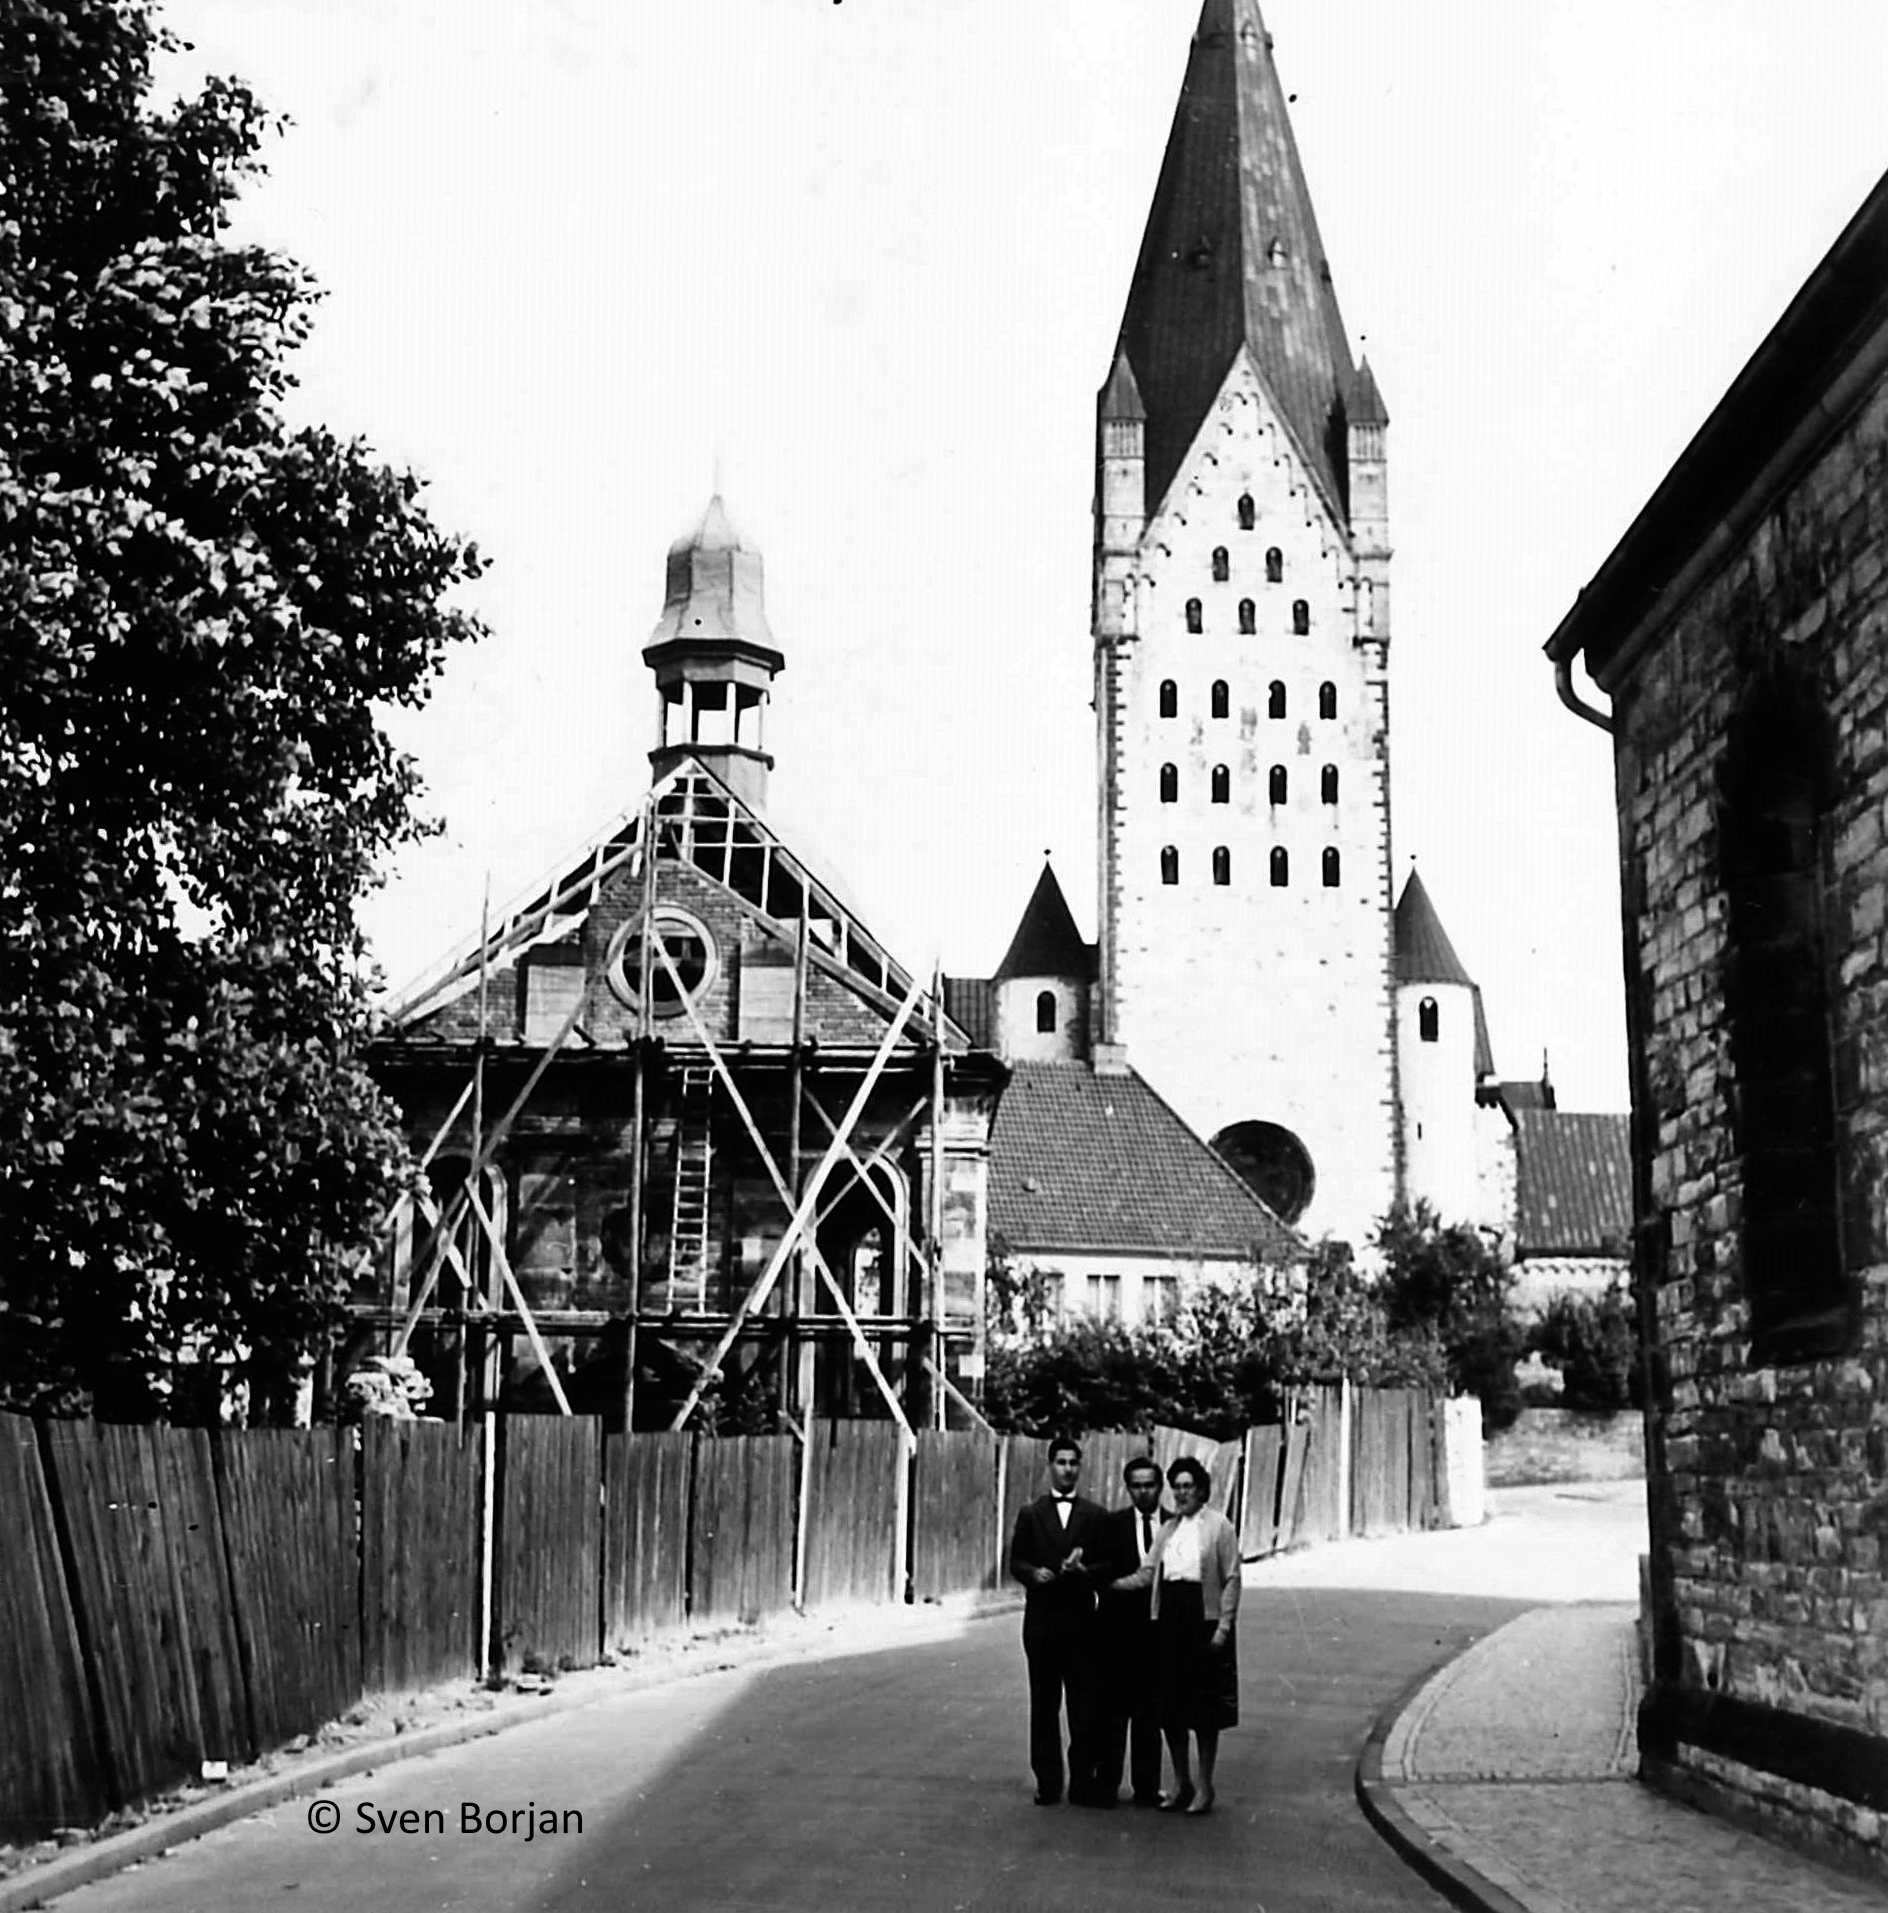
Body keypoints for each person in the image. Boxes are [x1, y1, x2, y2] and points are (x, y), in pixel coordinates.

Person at [1115, 1454, 1241, 1815]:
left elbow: (1231, 1578)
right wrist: (1105, 1584)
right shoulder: (1168, 1530)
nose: (1182, 1493)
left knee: (1203, 1712)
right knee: (1171, 1709)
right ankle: (1180, 1782)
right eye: (1177, 1487)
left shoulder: (1219, 1526)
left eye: (1188, 1486)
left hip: (1203, 1621)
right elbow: (1146, 1573)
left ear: (1202, 1489)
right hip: (1170, 1622)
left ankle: (1205, 1786)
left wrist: (1223, 1627)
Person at [1008, 1434, 1109, 1805]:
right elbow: (1016, 1561)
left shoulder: (1095, 1516)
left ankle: (1083, 1780)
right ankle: (1048, 1781)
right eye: (1061, 1462)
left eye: (1073, 1463)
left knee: (1084, 1706)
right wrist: (1033, 1574)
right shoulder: (1031, 1513)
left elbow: (1108, 1564)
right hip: (1042, 1624)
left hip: (1083, 1624)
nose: (1067, 1469)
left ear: (1080, 1468)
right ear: (1050, 1466)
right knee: (1044, 1704)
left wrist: (1084, 1569)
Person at [1094, 1454, 1168, 1807]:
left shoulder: (1175, 1525)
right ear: (1128, 1489)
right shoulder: (1113, 1525)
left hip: (1157, 1635)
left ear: (1160, 1486)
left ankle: (1147, 1788)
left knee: (1149, 1716)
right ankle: (1107, 1785)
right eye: (1136, 1486)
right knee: (1112, 1713)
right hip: (1117, 1634)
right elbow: (1100, 1572)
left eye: (1149, 1485)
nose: (1143, 1492)